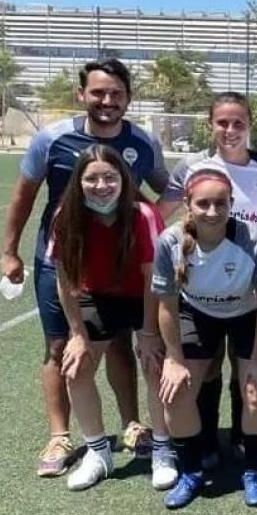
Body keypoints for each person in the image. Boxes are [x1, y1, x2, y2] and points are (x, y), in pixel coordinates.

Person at [0, 58, 168, 477]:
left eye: (116, 93)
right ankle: (60, 435)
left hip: (122, 265)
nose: (107, 101)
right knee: (61, 347)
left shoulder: (143, 142)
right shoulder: (52, 139)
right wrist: (9, 251)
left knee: (121, 343)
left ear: (128, 98)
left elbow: (168, 188)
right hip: (62, 261)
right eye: (98, 92)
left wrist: (152, 226)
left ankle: (133, 425)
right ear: (82, 94)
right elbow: (23, 195)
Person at [161, 92, 257, 470]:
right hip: (203, 288)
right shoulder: (192, 166)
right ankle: (207, 439)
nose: (230, 130)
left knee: (246, 366)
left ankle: (244, 438)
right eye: (222, 122)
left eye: (238, 123)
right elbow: (159, 213)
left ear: (250, 125)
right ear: (210, 125)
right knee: (208, 365)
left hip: (251, 288)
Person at [152, 168, 257, 509]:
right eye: (203, 203)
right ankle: (191, 471)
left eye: (220, 203)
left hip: (247, 314)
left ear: (231, 204)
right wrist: (173, 358)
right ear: (187, 204)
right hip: (197, 314)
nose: (212, 211)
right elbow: (167, 306)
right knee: (176, 393)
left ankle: (254, 470)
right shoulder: (170, 242)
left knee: (256, 392)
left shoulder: (253, 239)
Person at [48, 145, 169, 492]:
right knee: (76, 366)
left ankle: (163, 450)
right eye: (92, 178)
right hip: (98, 296)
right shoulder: (66, 215)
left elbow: (153, 279)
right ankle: (99, 453)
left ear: (123, 179)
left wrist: (149, 333)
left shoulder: (142, 214)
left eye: (109, 177)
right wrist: (77, 334)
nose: (101, 186)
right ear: (78, 182)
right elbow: (64, 279)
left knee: (155, 366)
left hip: (144, 295)